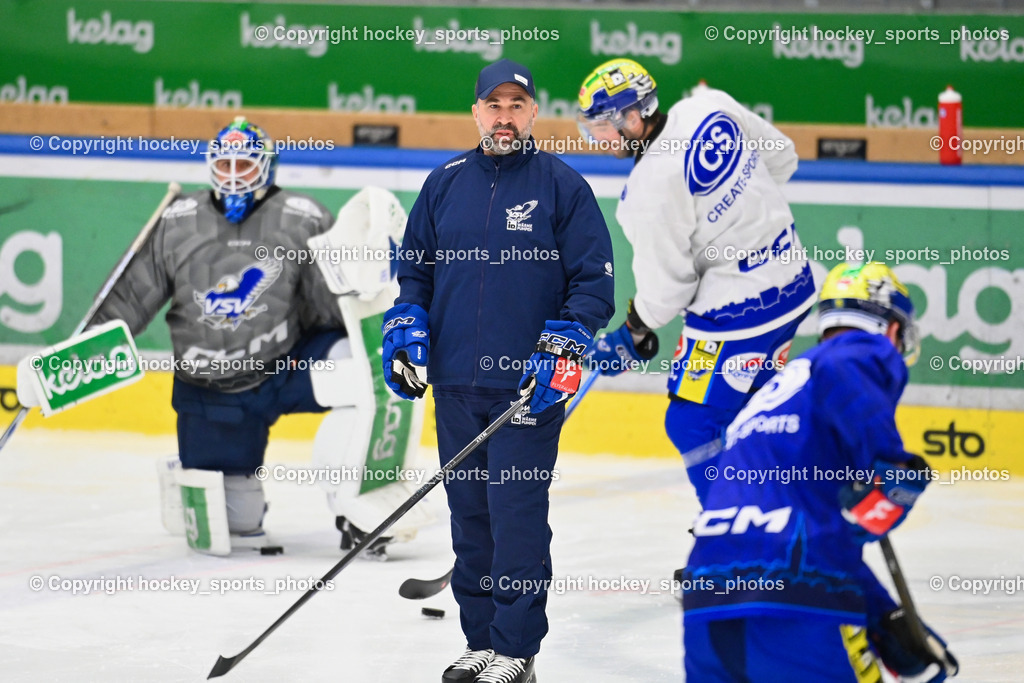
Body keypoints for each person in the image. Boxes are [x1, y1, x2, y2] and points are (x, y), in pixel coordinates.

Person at [56, 117, 429, 557]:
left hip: (284, 368)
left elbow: (330, 310)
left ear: (267, 168)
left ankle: (362, 505)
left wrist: (367, 283)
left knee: (360, 364)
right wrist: (73, 359)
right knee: (236, 528)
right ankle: (194, 466)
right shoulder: (177, 223)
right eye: (225, 163)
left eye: (245, 165)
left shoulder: (301, 218)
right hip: (212, 392)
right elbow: (129, 299)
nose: (233, 175)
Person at [382, 59, 615, 683]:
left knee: (515, 517)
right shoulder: (444, 183)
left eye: (517, 105)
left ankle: (517, 650)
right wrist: (407, 326)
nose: (505, 116)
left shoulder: (564, 187)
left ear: (534, 113)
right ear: (476, 112)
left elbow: (593, 284)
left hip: (527, 389)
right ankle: (480, 641)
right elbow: (416, 276)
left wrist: (565, 342)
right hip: (456, 384)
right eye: (495, 105)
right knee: (470, 517)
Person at [680, 262, 958, 682]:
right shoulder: (859, 351)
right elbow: (854, 512)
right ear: (890, 328)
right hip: (797, 603)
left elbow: (810, 532)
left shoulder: (771, 397)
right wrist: (895, 473)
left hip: (708, 597)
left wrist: (884, 616)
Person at [576, 59, 817, 504]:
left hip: (737, 315)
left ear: (632, 117)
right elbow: (782, 157)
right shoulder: (709, 105)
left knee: (691, 423)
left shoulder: (646, 191)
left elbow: (669, 291)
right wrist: (741, 217)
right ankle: (777, 518)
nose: (595, 139)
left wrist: (634, 331)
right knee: (753, 414)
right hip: (795, 284)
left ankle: (733, 537)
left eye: (601, 126)